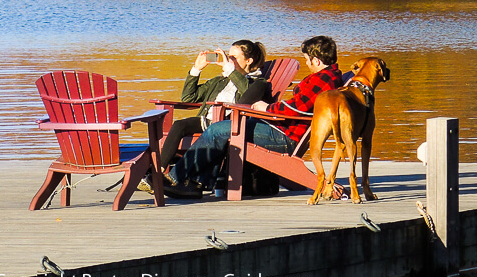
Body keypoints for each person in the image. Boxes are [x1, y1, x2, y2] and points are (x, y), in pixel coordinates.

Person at [164, 35, 343, 199]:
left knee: (219, 129)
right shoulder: (325, 77)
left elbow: (297, 109)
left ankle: (173, 178)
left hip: (286, 135)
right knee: (221, 130)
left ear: (317, 60)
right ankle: (195, 185)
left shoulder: (322, 80)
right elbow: (298, 107)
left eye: (307, 59)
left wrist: (268, 108)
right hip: (278, 127)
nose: (307, 62)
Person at [138, 40, 269, 195]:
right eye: (228, 56)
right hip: (207, 121)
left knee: (211, 135)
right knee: (180, 125)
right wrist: (196, 69)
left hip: (229, 125)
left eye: (233, 57)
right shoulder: (220, 81)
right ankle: (157, 171)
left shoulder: (258, 83)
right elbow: (188, 97)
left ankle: (184, 182)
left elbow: (245, 99)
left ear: (249, 61)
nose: (229, 60)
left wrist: (229, 69)